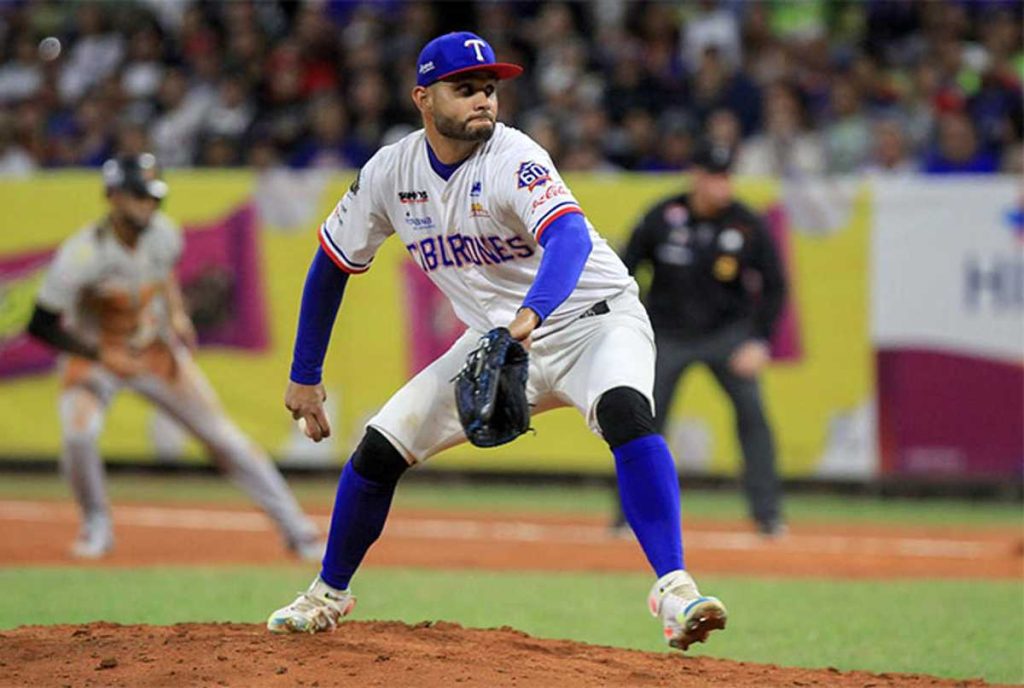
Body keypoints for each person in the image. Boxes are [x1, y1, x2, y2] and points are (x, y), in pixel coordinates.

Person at [265, 32, 728, 652]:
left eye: (490, 88)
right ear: (423, 98)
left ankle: (674, 590)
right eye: (465, 88)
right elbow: (330, 265)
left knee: (625, 412)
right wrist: (305, 372)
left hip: (596, 322)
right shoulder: (388, 173)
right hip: (499, 341)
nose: (484, 99)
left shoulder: (515, 158)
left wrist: (531, 315)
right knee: (380, 448)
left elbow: (570, 240)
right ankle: (327, 594)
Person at [26, 153, 324, 560]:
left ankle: (297, 529)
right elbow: (40, 324)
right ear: (112, 196)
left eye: (152, 196)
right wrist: (102, 355)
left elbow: (163, 272)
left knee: (225, 439)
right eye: (137, 195)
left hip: (152, 351)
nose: (147, 204)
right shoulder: (82, 255)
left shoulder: (163, 234)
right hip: (94, 356)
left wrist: (178, 312)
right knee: (79, 435)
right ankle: (96, 526)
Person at [615, 141, 787, 537]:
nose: (721, 186)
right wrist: (632, 325)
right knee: (640, 420)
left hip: (728, 335)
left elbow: (775, 286)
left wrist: (759, 340)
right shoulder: (663, 216)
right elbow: (623, 270)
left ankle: (768, 515)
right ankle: (629, 517)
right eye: (713, 177)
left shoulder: (746, 222)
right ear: (696, 176)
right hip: (667, 335)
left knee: (753, 418)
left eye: (726, 177)